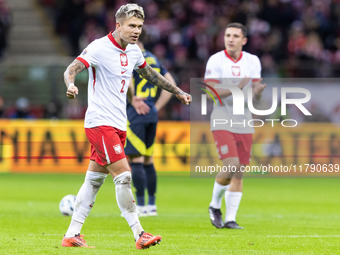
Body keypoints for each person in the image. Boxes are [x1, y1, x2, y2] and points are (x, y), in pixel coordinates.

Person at [61, 3, 191, 249]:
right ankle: (139, 233)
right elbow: (71, 69)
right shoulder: (99, 47)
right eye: (131, 26)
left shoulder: (133, 51)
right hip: (100, 122)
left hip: (120, 123)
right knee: (124, 176)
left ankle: (72, 234)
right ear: (117, 25)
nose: (136, 31)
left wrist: (177, 91)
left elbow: (150, 74)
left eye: (140, 26)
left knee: (93, 180)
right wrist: (70, 84)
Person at [204, 23, 266, 229]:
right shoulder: (216, 60)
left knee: (239, 171)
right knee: (230, 165)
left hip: (244, 121)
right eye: (227, 35)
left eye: (235, 36)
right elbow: (210, 92)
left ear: (244, 40)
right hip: (222, 119)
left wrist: (257, 92)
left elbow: (254, 100)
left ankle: (230, 219)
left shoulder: (252, 61)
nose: (230, 39)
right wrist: (237, 87)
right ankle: (214, 205)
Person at [125, 38, 174, 217]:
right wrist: (157, 107)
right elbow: (170, 83)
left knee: (136, 160)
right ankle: (152, 205)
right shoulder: (154, 59)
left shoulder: (132, 58)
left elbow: (129, 80)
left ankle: (141, 206)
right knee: (148, 160)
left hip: (136, 114)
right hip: (151, 114)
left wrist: (133, 100)